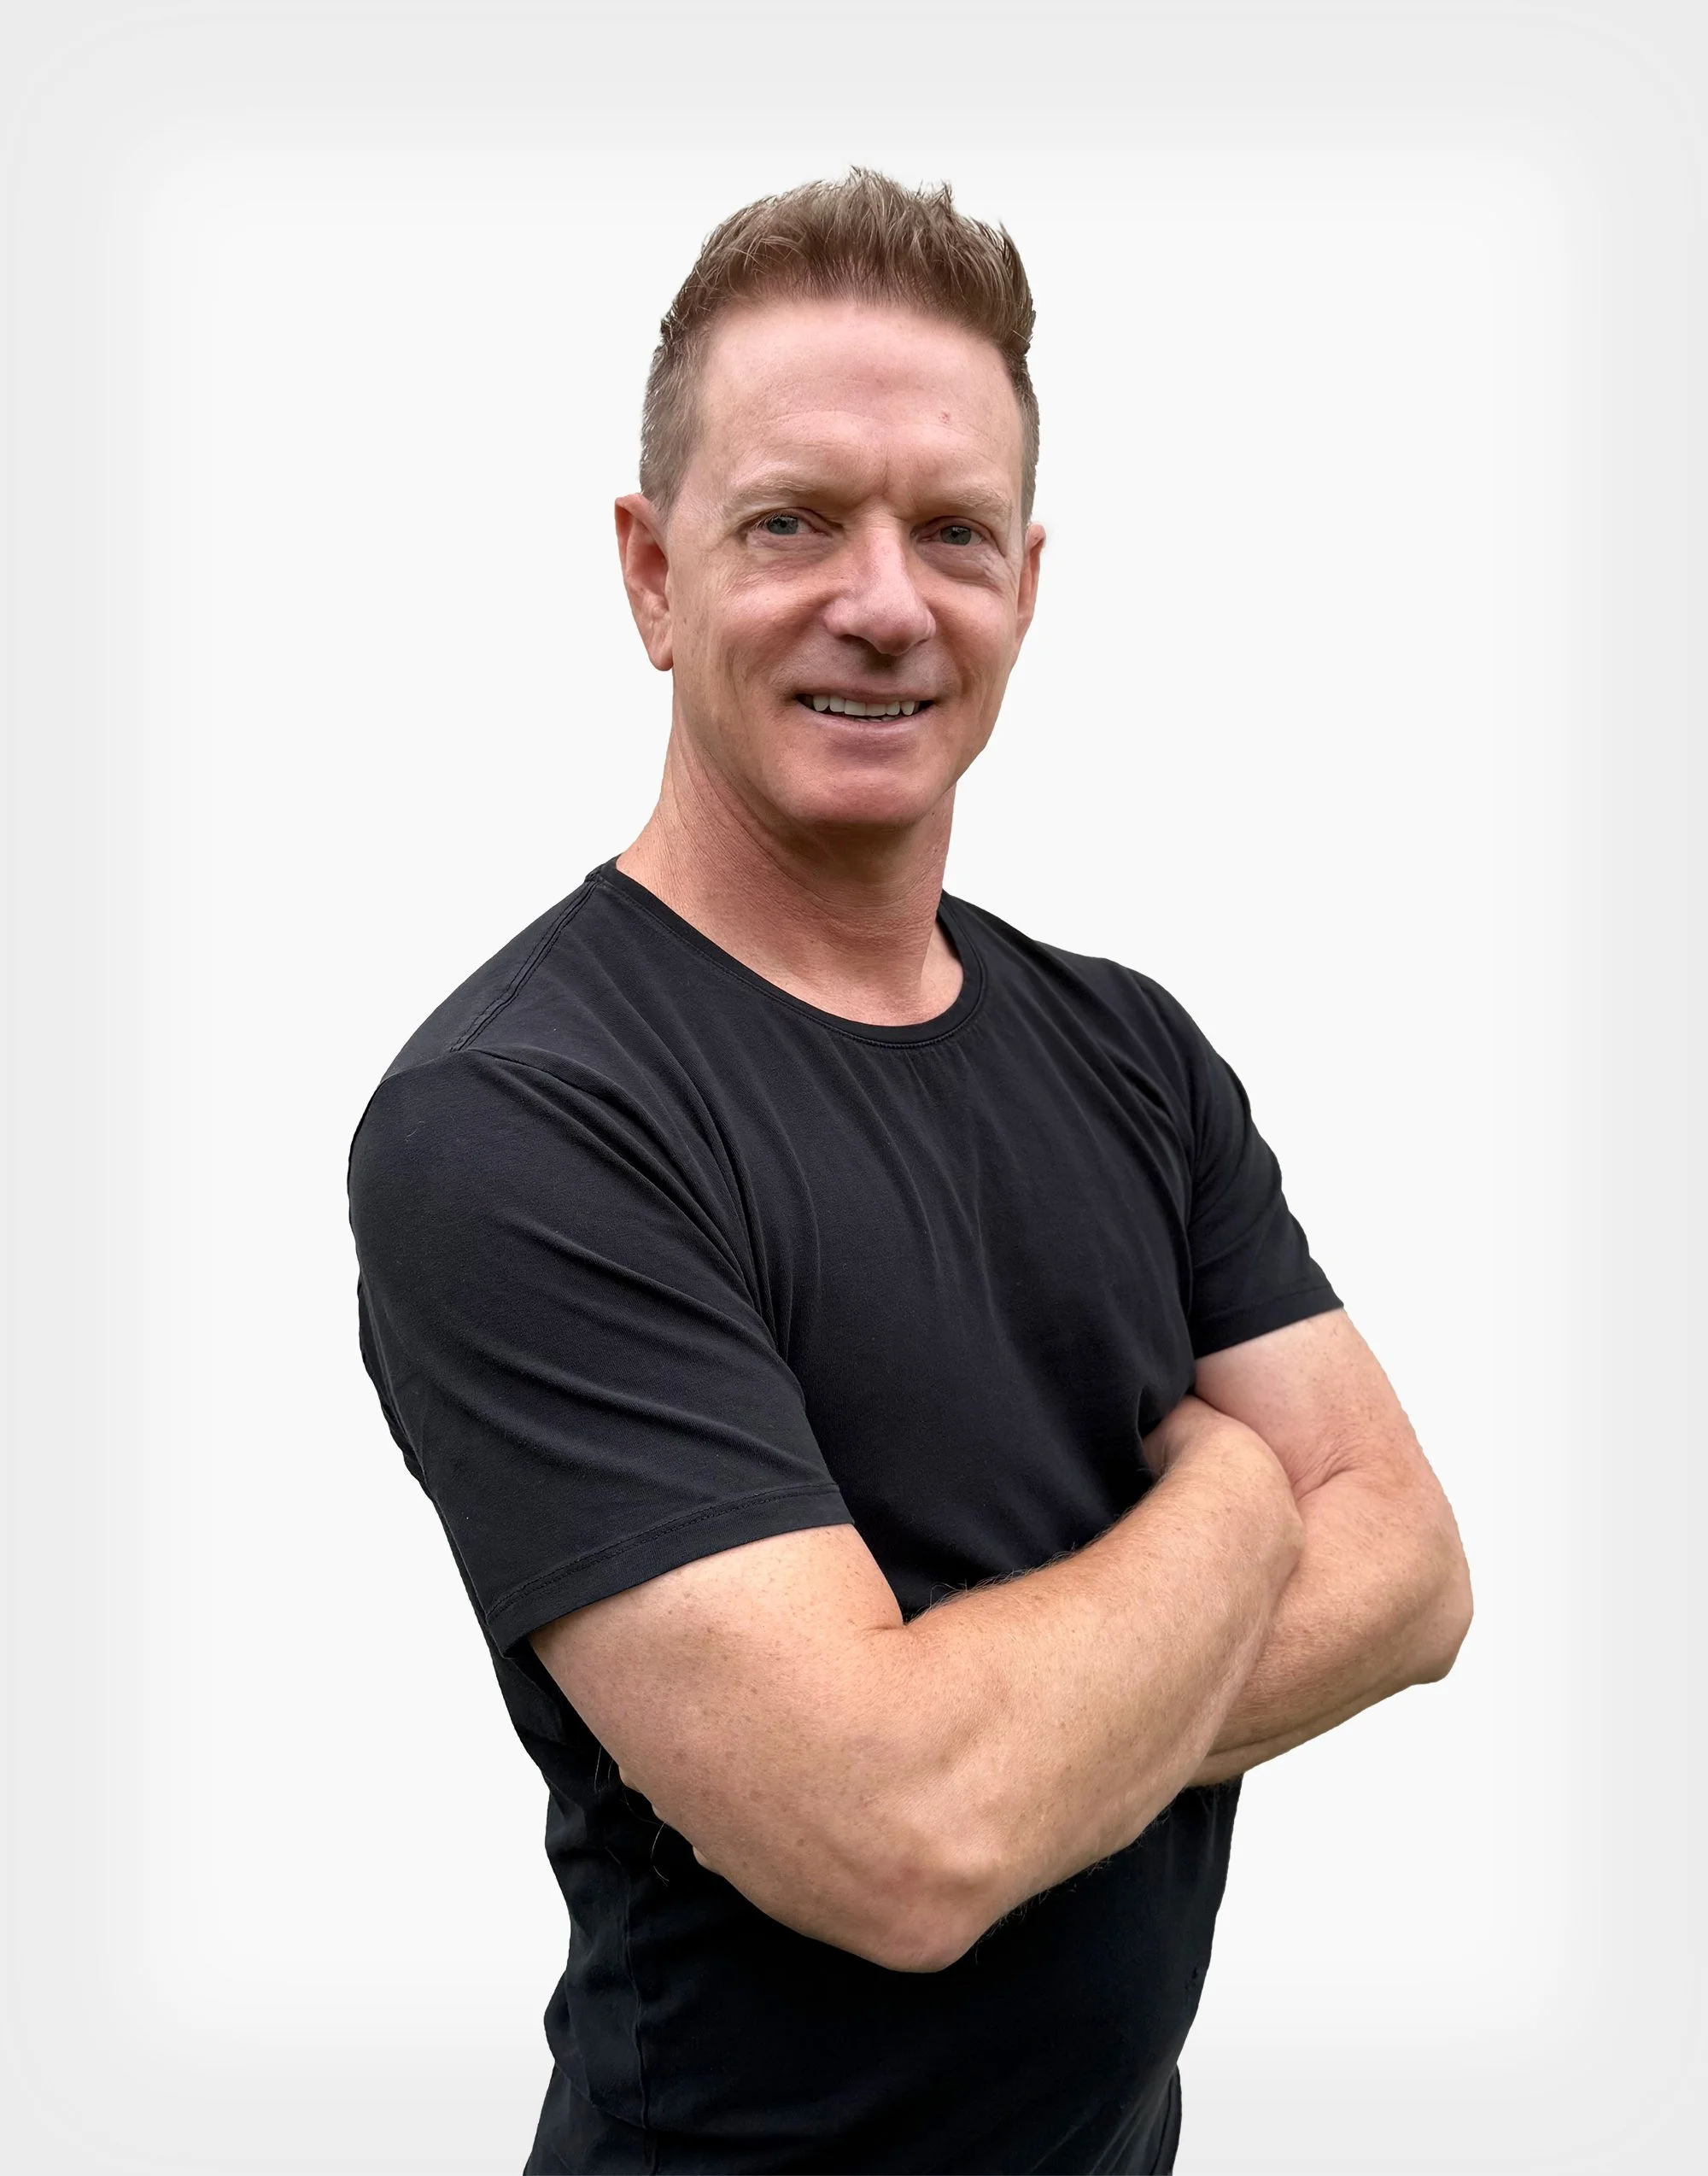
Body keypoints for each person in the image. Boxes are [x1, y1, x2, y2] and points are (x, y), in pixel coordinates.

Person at [347, 168, 1473, 2176]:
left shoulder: (1129, 1050)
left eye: (951, 531)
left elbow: (1408, 1570)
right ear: (649, 570)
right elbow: (898, 1837)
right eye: (791, 520)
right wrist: (1223, 1492)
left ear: (1026, 582)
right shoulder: (524, 1118)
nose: (884, 598)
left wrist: (1004, 1735)